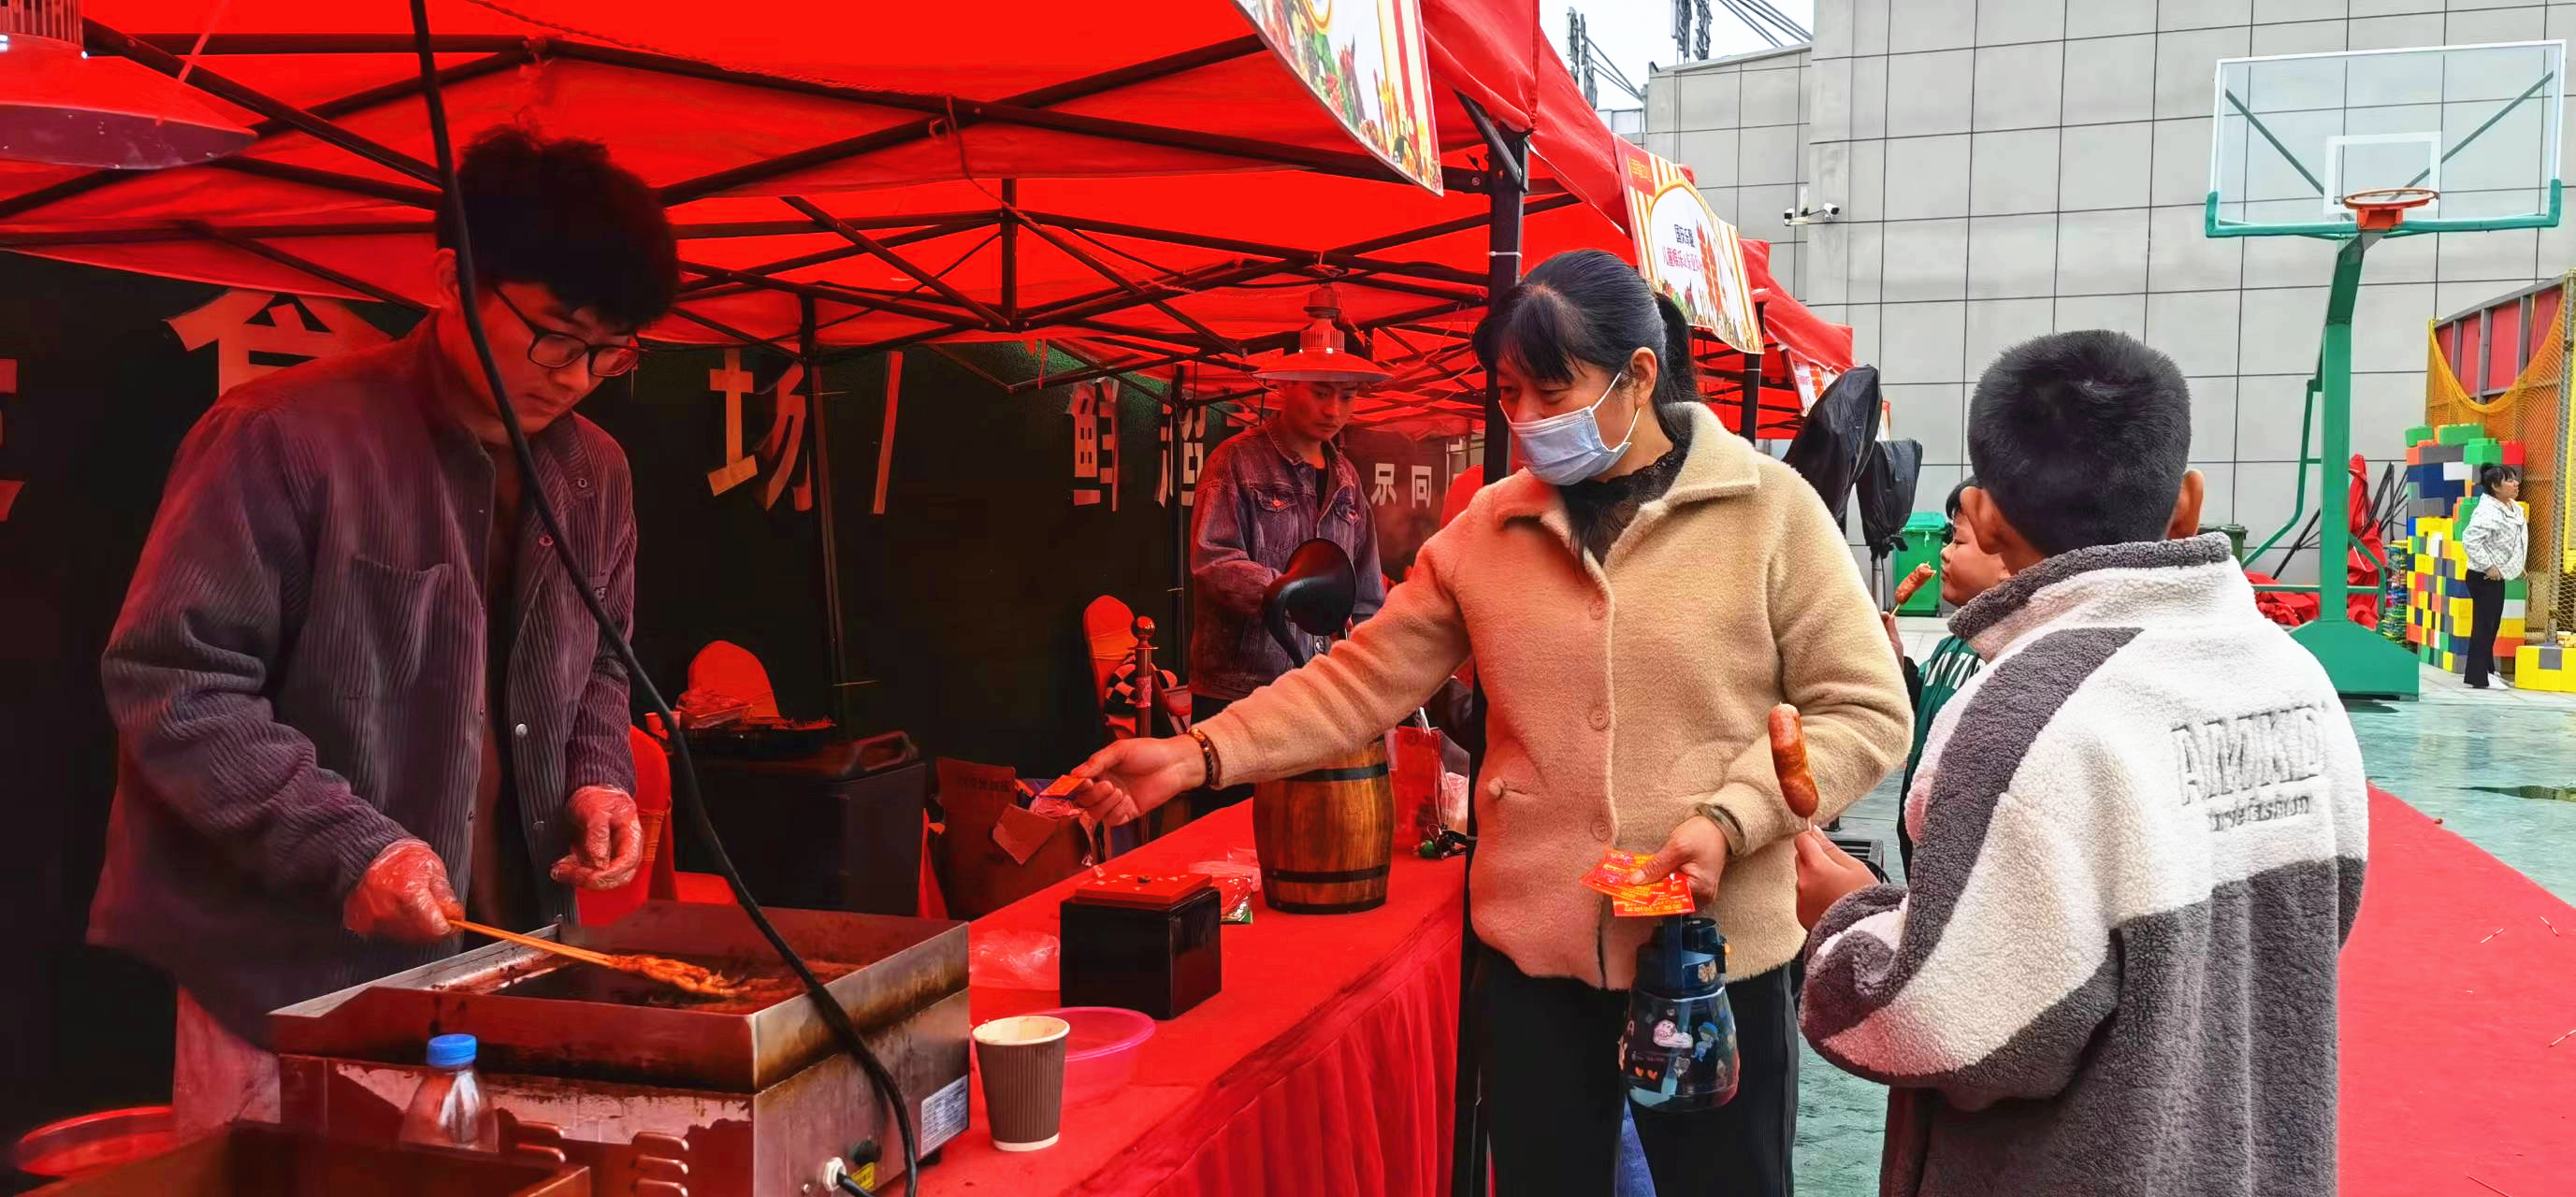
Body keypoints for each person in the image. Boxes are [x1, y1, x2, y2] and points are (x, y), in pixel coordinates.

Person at [1073, 249, 1911, 1197]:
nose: (1528, 420)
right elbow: (1357, 682)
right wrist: (1196, 753)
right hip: (1534, 961)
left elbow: (1866, 706)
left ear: (1638, 375)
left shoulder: (1767, 511)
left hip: (1712, 957)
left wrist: (1732, 817)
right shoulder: (1487, 530)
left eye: (1553, 392)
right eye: (1510, 394)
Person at [89, 127, 676, 1137]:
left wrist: (596, 777)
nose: (577, 375)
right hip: (290, 974)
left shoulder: (596, 472)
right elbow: (175, 684)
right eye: (556, 336)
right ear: (451, 280)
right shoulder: (284, 436)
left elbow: (601, 669)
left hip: (509, 957)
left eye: (611, 350)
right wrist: (352, 847)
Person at [1794, 330, 2369, 1197]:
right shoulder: (2296, 679)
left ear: (1984, 514)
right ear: (2188, 502)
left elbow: (1953, 1028)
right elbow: (2321, 921)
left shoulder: (2025, 715)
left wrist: (1846, 920)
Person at [1184, 373, 1386, 810]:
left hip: (1317, 696)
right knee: (1224, 836)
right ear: (1284, 386)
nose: (1334, 410)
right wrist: (1291, 594)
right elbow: (1213, 561)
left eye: (1347, 396)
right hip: (1240, 695)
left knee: (1303, 828)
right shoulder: (1236, 460)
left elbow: (1367, 594)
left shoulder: (1347, 478)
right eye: (1321, 392)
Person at [1873, 476, 2009, 873]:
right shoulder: (1955, 641)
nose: (1944, 553)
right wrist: (1897, 665)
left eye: (1958, 542)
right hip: (1920, 850)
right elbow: (1924, 707)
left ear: (2007, 560)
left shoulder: (2003, 656)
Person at [2461, 464, 2528, 689]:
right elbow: (2470, 540)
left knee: (2491, 625)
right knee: (2484, 626)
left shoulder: (2512, 506)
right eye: (2509, 480)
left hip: (2498, 576)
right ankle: (2478, 676)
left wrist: (2517, 565)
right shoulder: (2487, 511)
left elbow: (2515, 540)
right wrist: (2488, 566)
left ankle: (2488, 671)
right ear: (2495, 486)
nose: (2516, 483)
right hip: (2484, 578)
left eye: (2515, 479)